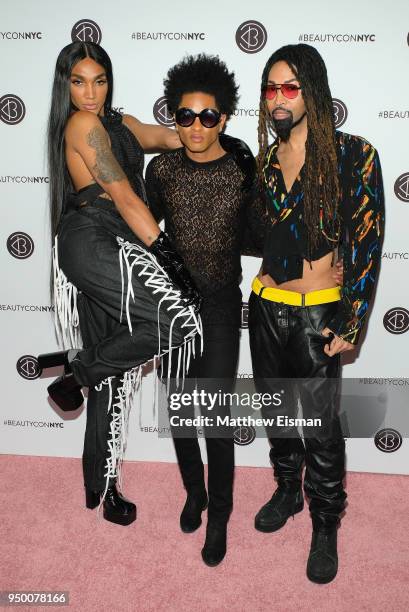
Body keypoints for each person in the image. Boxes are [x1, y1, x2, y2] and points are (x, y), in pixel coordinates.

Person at [37, 42, 201, 527]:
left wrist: (206, 129)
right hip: (93, 240)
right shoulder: (82, 125)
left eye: (99, 80)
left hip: (117, 241)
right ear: (65, 84)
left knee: (114, 366)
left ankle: (101, 485)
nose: (90, 92)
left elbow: (168, 139)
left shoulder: (117, 122)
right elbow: (125, 195)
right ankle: (78, 371)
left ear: (110, 81)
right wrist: (167, 255)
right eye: (79, 81)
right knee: (177, 318)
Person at [249, 44, 384, 583]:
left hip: (317, 314)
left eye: (289, 88)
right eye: (270, 88)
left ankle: (326, 521)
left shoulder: (355, 153)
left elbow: (367, 245)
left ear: (312, 90)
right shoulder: (264, 162)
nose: (278, 99)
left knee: (321, 427)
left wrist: (351, 323)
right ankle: (287, 489)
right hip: (266, 308)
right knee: (278, 414)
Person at [145, 54, 264, 566]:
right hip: (171, 305)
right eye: (186, 116)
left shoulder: (242, 161)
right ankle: (194, 491)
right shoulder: (162, 168)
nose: (197, 126)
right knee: (180, 412)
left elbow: (261, 228)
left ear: (225, 117)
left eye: (208, 115)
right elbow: (144, 234)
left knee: (213, 415)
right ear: (174, 117)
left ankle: (219, 516)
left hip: (219, 305)